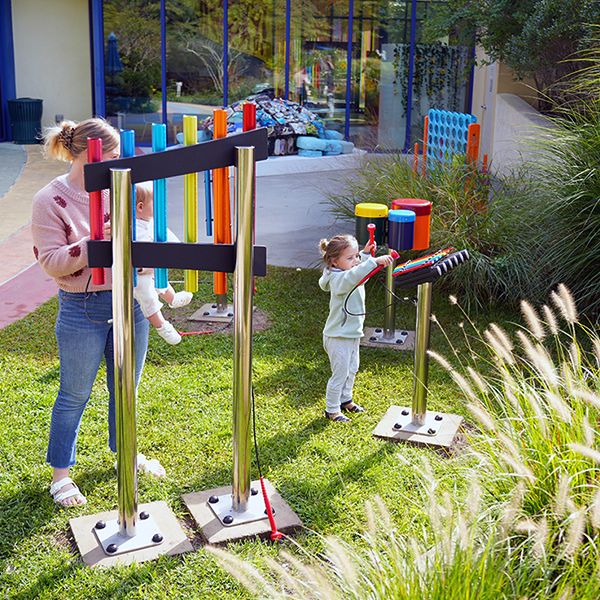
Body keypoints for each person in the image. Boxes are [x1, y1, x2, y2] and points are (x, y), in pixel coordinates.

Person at [32, 118, 162, 508]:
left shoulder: (120, 190)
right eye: (110, 157)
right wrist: (96, 243)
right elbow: (52, 263)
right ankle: (61, 475)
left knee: (126, 388)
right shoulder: (48, 200)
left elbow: (142, 234)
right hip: (81, 308)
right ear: (86, 155)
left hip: (130, 303)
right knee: (74, 393)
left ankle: (125, 451)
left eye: (119, 157)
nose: (116, 165)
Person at [319, 235, 394, 422]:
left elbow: (359, 275)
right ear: (334, 262)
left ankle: (346, 400)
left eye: (356, 257)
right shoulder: (338, 280)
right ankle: (332, 410)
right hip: (337, 336)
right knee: (340, 373)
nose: (356, 261)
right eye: (350, 258)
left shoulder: (348, 273)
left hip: (351, 333)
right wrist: (373, 262)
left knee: (352, 368)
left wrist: (366, 255)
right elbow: (353, 276)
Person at [133, 182, 193, 345]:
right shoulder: (134, 228)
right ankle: (162, 326)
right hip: (138, 275)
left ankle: (172, 299)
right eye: (155, 201)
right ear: (140, 207)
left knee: (161, 281)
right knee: (148, 296)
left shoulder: (152, 222)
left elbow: (168, 237)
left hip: (152, 267)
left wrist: (178, 251)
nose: (161, 205)